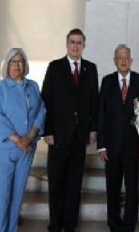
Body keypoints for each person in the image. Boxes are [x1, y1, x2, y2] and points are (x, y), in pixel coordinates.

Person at [41, 28, 99, 232]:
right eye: (72, 42)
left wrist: (93, 130)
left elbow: (94, 102)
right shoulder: (55, 67)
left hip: (80, 136)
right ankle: (55, 225)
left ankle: (69, 225)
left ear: (84, 45)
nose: (75, 46)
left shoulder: (91, 69)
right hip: (57, 136)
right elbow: (45, 100)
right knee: (56, 182)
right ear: (67, 45)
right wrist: (46, 131)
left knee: (74, 184)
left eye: (79, 42)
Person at [0, 48, 46, 232]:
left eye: (21, 61)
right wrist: (18, 140)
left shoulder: (33, 86)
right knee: (0, 199)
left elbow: (41, 110)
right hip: (3, 150)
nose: (17, 65)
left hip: (27, 150)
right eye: (13, 62)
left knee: (17, 198)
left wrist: (29, 137)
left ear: (25, 65)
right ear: (7, 65)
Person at [97, 44, 139, 232]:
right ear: (115, 61)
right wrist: (101, 146)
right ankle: (114, 223)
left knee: (132, 187)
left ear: (131, 60)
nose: (124, 60)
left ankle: (129, 224)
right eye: (120, 57)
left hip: (134, 146)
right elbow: (101, 114)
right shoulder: (107, 81)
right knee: (113, 187)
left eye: (126, 56)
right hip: (111, 146)